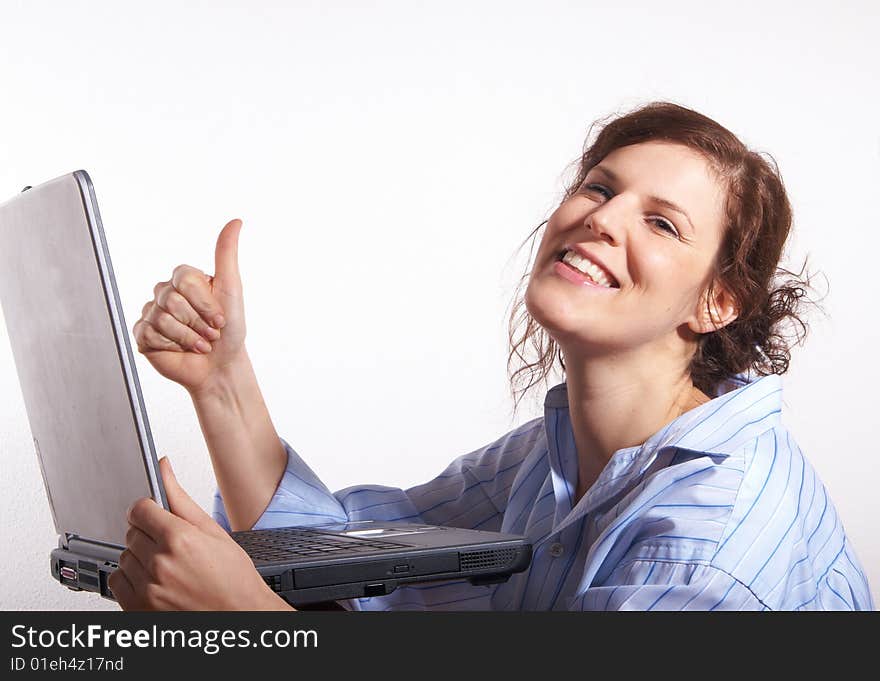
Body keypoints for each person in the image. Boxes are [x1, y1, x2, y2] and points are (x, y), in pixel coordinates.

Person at [108, 101, 874, 611]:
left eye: (663, 223)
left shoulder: (704, 550)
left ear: (719, 302)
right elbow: (355, 562)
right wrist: (221, 378)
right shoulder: (561, 455)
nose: (602, 217)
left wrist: (247, 620)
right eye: (600, 186)